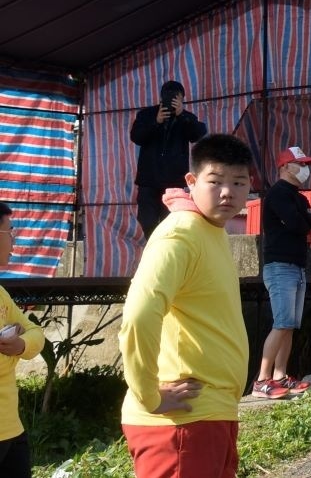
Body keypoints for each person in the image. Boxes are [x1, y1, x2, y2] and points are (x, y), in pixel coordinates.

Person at [119, 134, 253, 478]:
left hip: (209, 415)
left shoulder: (212, 231)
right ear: (191, 182)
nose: (227, 192)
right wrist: (149, 395)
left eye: (238, 182)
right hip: (180, 422)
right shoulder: (179, 234)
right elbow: (138, 314)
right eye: (216, 180)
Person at [253, 146, 311, 399]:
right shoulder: (278, 194)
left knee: (290, 326)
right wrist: (306, 223)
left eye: (306, 164)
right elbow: (300, 222)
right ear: (285, 166)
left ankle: (280, 376)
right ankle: (262, 380)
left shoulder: (298, 197)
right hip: (280, 266)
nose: (305, 169)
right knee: (282, 322)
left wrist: (305, 222)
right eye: (301, 164)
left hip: (296, 265)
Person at [0, 202, 46, 478]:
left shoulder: (2, 294)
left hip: (11, 428)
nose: (14, 239)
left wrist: (21, 345)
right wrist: (14, 352)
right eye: (10, 231)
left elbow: (35, 332)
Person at [129, 79, 208, 237]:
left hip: (173, 182)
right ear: (161, 96)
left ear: (182, 99)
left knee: (171, 222)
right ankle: (153, 248)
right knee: (147, 221)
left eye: (176, 97)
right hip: (149, 180)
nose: (172, 99)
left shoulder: (187, 118)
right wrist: (156, 122)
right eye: (168, 95)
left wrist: (182, 116)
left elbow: (198, 134)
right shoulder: (147, 114)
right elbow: (136, 136)